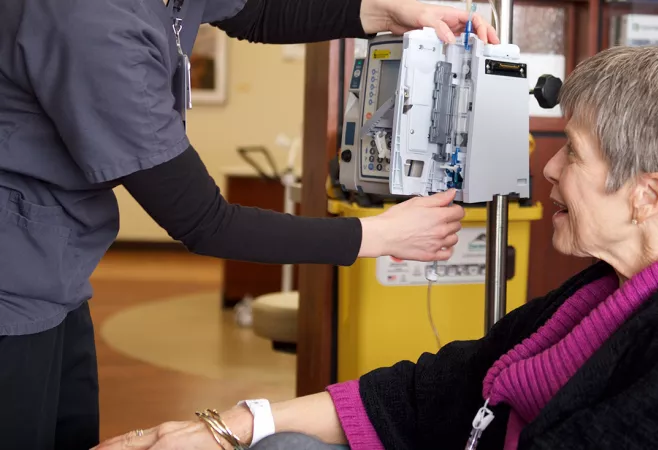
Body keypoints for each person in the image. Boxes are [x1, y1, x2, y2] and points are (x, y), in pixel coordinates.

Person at [95, 43, 658, 450]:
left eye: (573, 153)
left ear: (649, 195)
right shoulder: (600, 293)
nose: (548, 168)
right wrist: (229, 425)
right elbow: (439, 385)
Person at [0, 0, 499, 448]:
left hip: (57, 269)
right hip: (13, 277)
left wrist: (389, 13)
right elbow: (203, 221)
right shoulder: (92, 23)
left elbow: (257, 12)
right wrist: (379, 236)